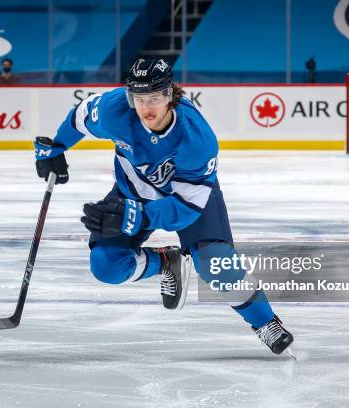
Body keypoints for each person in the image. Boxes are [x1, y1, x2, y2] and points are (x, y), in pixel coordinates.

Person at [34, 58, 294, 355]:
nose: (146, 109)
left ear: (170, 94)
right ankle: (166, 262)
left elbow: (187, 207)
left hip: (188, 199)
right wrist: (56, 147)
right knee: (106, 266)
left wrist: (140, 218)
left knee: (215, 266)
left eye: (155, 98)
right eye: (139, 99)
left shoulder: (197, 139)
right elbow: (79, 117)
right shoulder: (114, 110)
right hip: (132, 192)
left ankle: (264, 322)